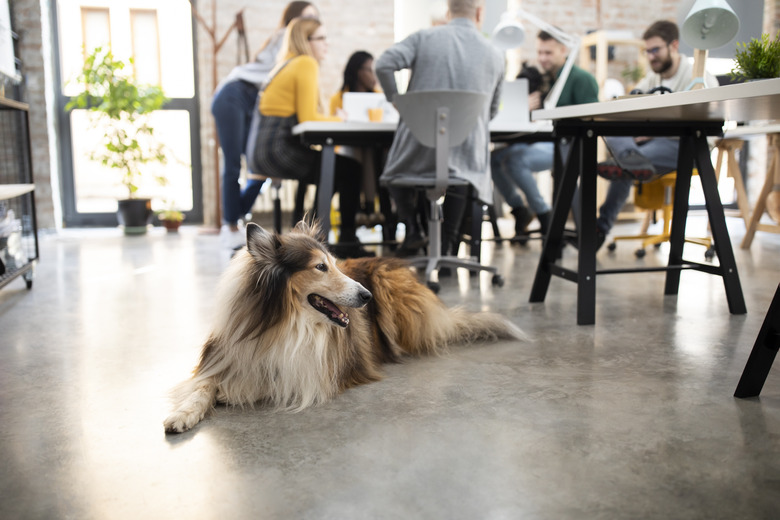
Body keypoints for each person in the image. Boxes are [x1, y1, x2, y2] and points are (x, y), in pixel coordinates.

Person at [375, 0, 504, 257]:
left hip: (418, 151)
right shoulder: (495, 53)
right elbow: (490, 111)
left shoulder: (424, 37)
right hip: (467, 156)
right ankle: (447, 249)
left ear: (448, 12)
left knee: (393, 165)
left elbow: (383, 64)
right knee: (460, 176)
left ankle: (413, 230)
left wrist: (397, 101)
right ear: (480, 13)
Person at [575, 20, 719, 251]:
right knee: (610, 129)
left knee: (625, 160)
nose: (651, 57)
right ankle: (629, 161)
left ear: (673, 45)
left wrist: (652, 131)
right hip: (648, 145)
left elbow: (710, 126)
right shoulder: (652, 79)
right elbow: (630, 106)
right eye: (647, 51)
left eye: (655, 50)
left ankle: (603, 221)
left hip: (684, 147)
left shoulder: (700, 77)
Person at [254, 16, 371, 258]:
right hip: (279, 148)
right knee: (348, 169)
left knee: (333, 169)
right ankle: (344, 240)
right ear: (306, 41)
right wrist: (342, 119)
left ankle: (314, 238)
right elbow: (310, 116)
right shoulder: (305, 63)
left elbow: (307, 116)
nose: (327, 44)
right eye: (322, 38)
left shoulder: (286, 64)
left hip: (266, 147)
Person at [212, 1, 318, 248]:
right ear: (294, 19)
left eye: (316, 17)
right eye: (308, 17)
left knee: (259, 166)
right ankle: (230, 226)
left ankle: (236, 218)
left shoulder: (299, 53)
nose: (313, 23)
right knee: (233, 163)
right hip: (233, 95)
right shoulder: (285, 38)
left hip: (251, 103)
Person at [491, 29, 599, 241]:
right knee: (493, 160)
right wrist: (526, 109)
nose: (542, 58)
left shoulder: (580, 79)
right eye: (540, 52)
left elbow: (591, 121)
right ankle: (520, 210)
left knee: (515, 160)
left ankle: (543, 215)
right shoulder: (542, 79)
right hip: (541, 140)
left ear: (563, 50)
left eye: (548, 53)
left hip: (568, 145)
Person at [329, 51, 380, 115]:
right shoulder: (338, 99)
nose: (375, 75)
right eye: (370, 70)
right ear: (358, 71)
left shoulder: (381, 98)